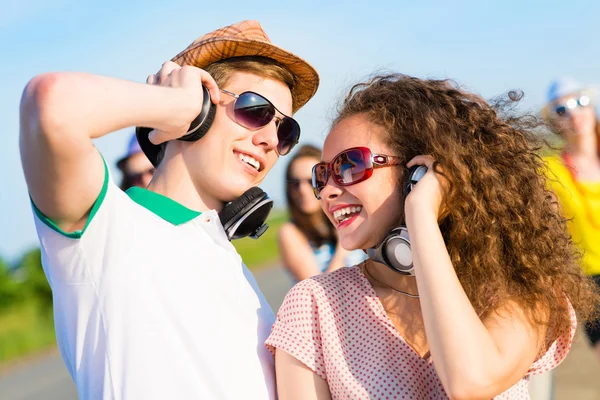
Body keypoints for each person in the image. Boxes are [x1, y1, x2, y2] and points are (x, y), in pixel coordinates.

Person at [19, 20, 318, 399]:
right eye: (255, 109)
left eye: (285, 129)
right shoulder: (107, 230)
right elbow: (49, 103)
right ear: (200, 109)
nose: (271, 140)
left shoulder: (235, 268)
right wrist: (172, 105)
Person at [265, 73, 598, 399]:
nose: (327, 193)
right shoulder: (313, 305)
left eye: (350, 165)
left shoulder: (517, 285)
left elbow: (472, 381)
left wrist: (421, 214)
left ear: (417, 172)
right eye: (321, 176)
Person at [542, 77, 600, 361]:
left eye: (580, 102)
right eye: (562, 109)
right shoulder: (549, 170)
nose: (574, 112)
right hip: (591, 281)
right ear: (555, 122)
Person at [278, 144, 366, 282]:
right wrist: (342, 249)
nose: (302, 190)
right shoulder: (290, 232)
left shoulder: (350, 213)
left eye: (311, 181)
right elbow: (320, 291)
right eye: (295, 183)